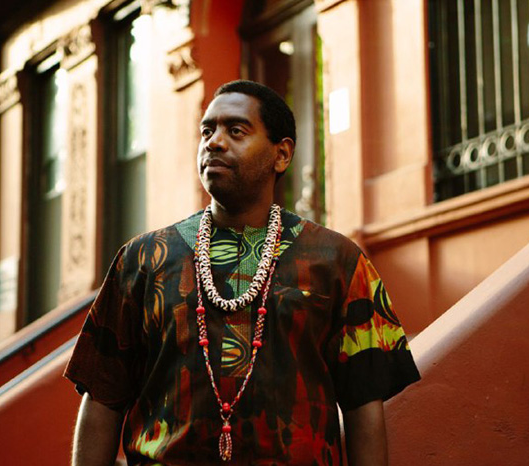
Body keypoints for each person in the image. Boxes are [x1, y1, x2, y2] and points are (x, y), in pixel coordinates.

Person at [64, 80, 420, 465]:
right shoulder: (143, 260)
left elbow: (363, 404)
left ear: (281, 154)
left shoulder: (337, 261)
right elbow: (102, 399)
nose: (214, 142)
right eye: (207, 131)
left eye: (235, 131)